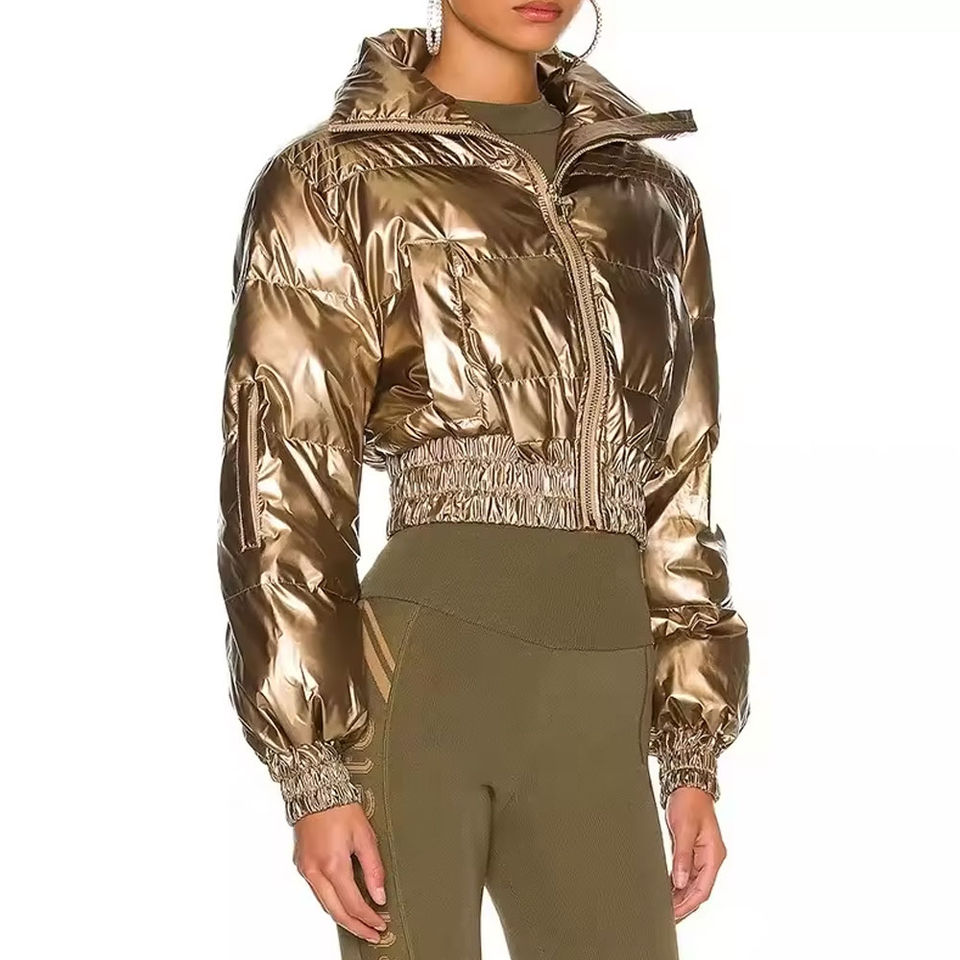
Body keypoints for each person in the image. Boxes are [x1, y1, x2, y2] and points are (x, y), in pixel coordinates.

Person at [217, 4, 750, 958]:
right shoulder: (333, 177)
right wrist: (313, 772)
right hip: (424, 687)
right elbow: (284, 477)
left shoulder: (653, 195)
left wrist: (690, 752)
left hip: (601, 699)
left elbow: (682, 477)